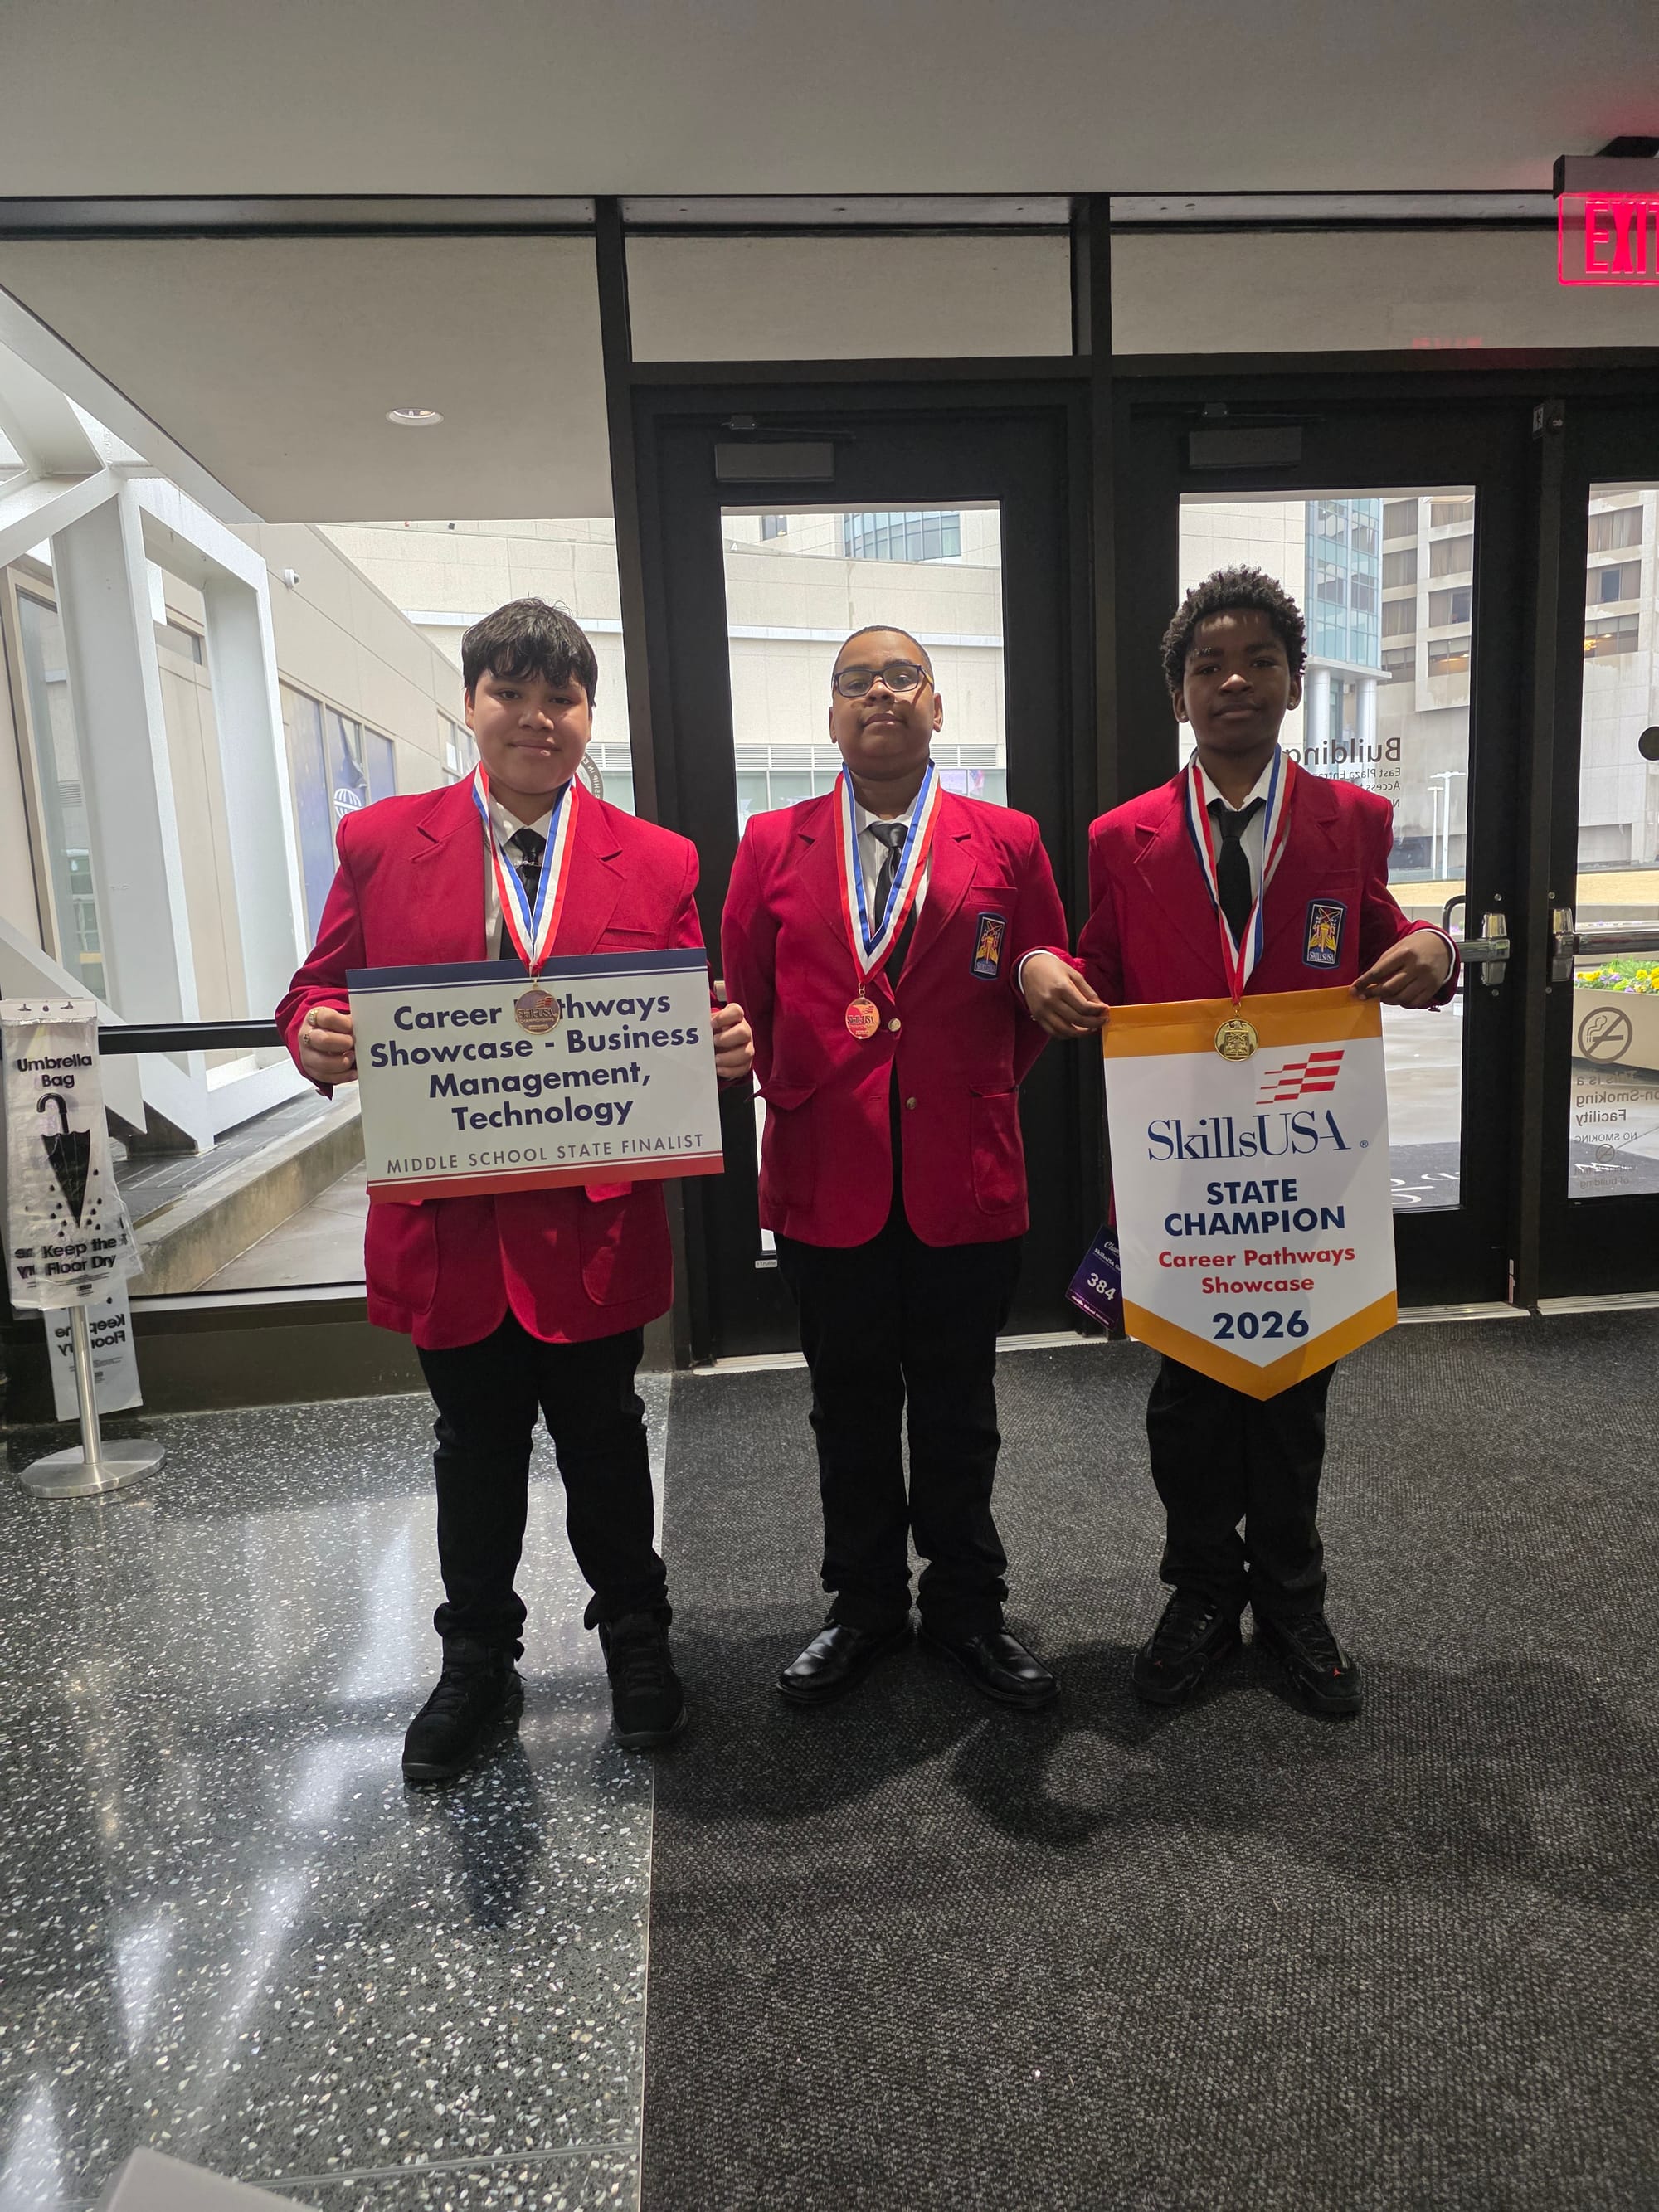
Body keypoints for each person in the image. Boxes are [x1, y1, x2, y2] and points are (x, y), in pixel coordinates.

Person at [277, 600, 752, 1782]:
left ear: (589, 715)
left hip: (591, 1226)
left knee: (606, 1440)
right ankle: (477, 1658)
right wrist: (315, 1035)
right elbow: (315, 988)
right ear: (471, 703)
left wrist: (719, 1043)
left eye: (562, 698)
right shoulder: (381, 842)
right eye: (512, 693)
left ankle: (635, 1636)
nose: (537, 718)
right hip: (454, 1228)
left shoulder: (659, 859)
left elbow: (687, 1014)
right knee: (472, 1449)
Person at [1020, 566, 1458, 1719]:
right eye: (1209, 666)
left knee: (1296, 1399)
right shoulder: (1122, 836)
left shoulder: (1352, 821)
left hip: (1305, 1177)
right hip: (1184, 1179)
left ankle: (1294, 1601)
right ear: (1179, 694)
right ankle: (1205, 1593)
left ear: (1295, 684)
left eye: (1260, 661)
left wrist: (1439, 952)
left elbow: (1390, 934)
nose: (1235, 682)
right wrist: (1048, 968)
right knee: (1190, 1401)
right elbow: (1099, 961)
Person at [722, 624, 1070, 1711]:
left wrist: (968, 1090)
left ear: (937, 705)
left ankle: (968, 1605)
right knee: (850, 1406)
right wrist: (818, 1091)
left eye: (902, 676)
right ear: (831, 713)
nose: (881, 693)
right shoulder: (769, 844)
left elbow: (1040, 992)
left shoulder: (1007, 840)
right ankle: (864, 1604)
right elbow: (748, 1002)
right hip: (827, 1174)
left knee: (961, 1407)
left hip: (966, 1170)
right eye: (856, 681)